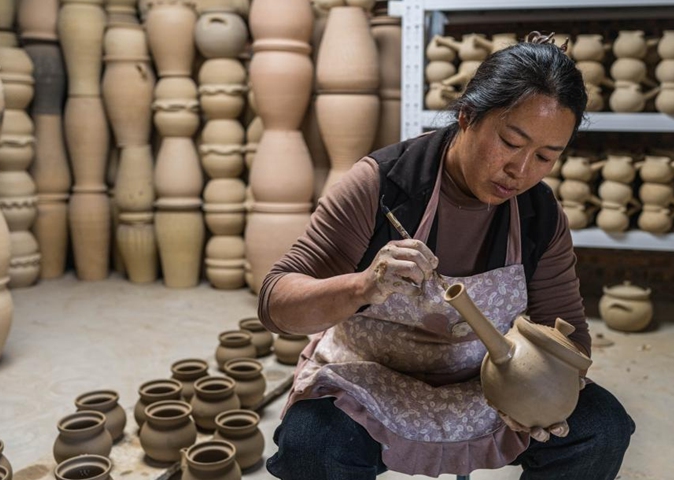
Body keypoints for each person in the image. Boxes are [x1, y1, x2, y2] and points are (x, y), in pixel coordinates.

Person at [257, 32, 635, 480]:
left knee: (601, 427)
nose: (521, 170)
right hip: (368, 381)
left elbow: (567, 332)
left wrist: (546, 389)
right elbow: (275, 302)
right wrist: (362, 286)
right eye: (511, 143)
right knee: (313, 443)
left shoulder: (539, 214)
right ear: (466, 116)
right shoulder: (382, 185)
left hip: (488, 385)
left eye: (545, 157)